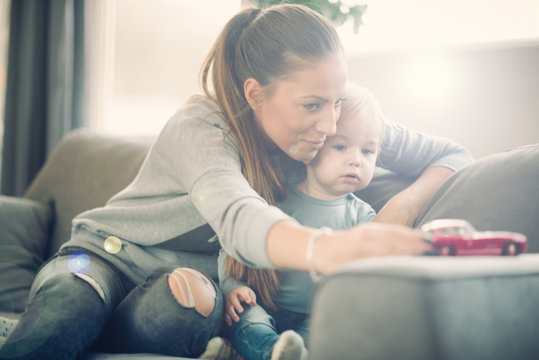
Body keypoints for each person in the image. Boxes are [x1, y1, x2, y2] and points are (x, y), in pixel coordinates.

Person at [0, 4, 472, 360]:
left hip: (181, 286)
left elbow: (453, 154)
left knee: (190, 308)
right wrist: (327, 248)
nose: (331, 125)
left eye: (336, 100)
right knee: (71, 301)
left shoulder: (335, 126)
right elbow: (237, 216)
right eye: (312, 105)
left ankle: (88, 330)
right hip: (103, 258)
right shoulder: (202, 126)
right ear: (255, 94)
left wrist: (402, 210)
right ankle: (61, 316)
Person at [216, 84, 384, 360]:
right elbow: (231, 244)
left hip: (318, 316)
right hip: (261, 303)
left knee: (322, 335)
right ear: (312, 148)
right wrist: (231, 287)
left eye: (368, 151)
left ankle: (258, 355)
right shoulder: (276, 200)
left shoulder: (363, 218)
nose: (356, 160)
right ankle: (270, 352)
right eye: (341, 146)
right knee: (246, 319)